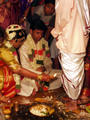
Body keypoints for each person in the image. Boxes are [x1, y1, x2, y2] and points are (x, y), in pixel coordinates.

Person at [0, 25, 54, 102]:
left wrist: (40, 73)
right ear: (13, 40)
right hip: (5, 79)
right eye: (20, 41)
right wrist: (39, 76)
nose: (21, 44)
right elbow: (18, 70)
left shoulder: (8, 48)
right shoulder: (4, 50)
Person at [51, 0, 90, 100]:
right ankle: (73, 97)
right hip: (81, 38)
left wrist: (56, 32)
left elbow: (62, 17)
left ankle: (73, 100)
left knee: (72, 71)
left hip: (70, 37)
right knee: (76, 69)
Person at [19, 19, 62, 96]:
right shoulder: (23, 44)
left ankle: (40, 87)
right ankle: (40, 86)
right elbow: (25, 66)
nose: (40, 36)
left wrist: (44, 68)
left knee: (61, 75)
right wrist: (37, 73)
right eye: (37, 33)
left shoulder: (44, 43)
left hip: (44, 74)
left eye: (41, 34)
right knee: (24, 84)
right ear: (31, 31)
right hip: (30, 75)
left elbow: (49, 62)